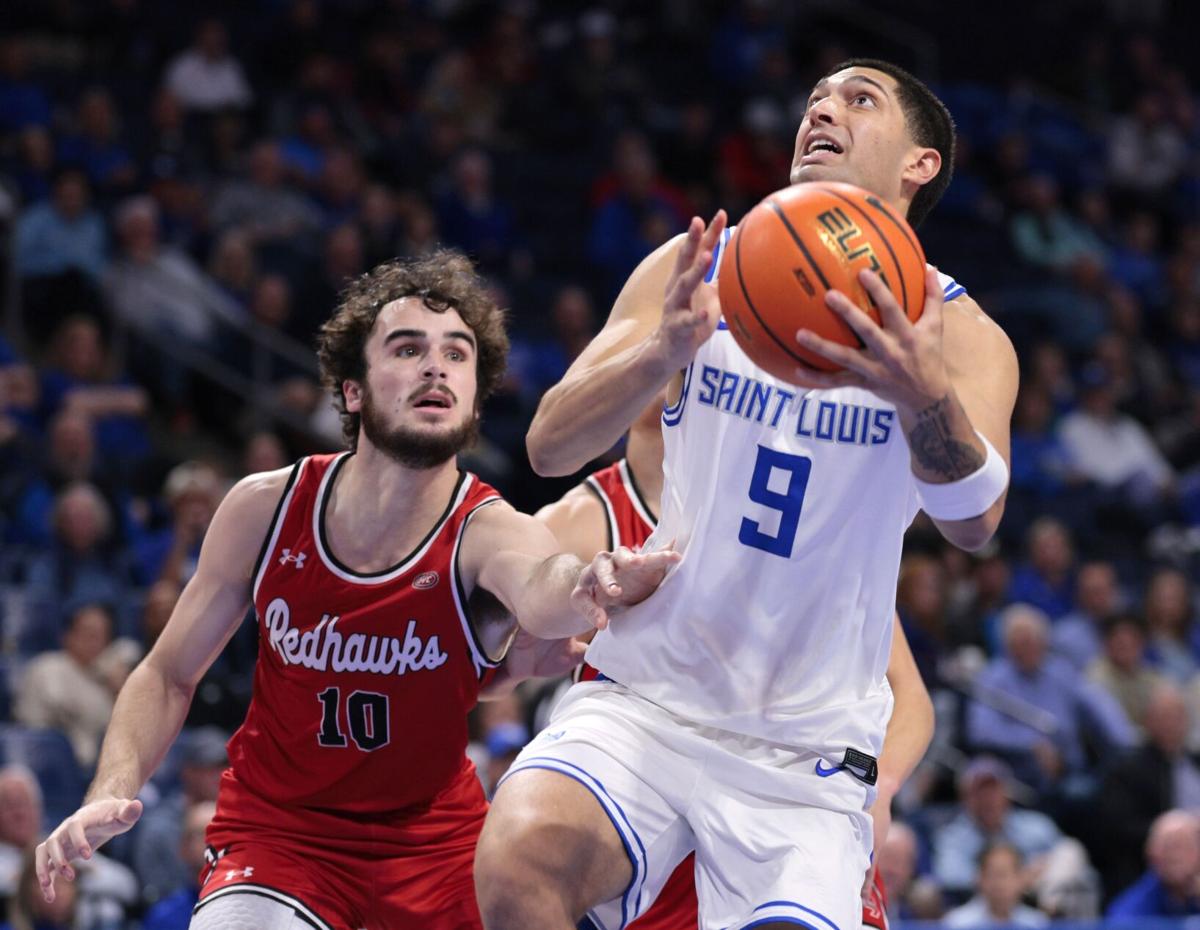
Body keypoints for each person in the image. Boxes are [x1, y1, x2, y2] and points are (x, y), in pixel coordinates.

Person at [477, 58, 1019, 930]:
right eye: (815, 99)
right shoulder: (696, 267)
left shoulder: (961, 335)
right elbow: (548, 445)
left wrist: (924, 394)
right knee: (518, 859)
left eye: (858, 99)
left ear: (921, 164)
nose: (822, 110)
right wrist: (660, 350)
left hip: (805, 757)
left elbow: (976, 523)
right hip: (648, 698)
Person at [35, 250, 676, 930]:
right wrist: (108, 791)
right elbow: (167, 674)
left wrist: (588, 581)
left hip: (434, 843)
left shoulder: (488, 530)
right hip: (281, 833)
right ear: (351, 390)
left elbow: (543, 584)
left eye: (458, 355)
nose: (437, 366)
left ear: (475, 397)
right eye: (408, 348)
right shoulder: (265, 508)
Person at [534, 396, 935, 930]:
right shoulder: (584, 520)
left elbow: (909, 697)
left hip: (787, 799)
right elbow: (488, 657)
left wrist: (878, 793)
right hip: (646, 806)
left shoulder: (790, 523)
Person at [942, 842, 1049, 928]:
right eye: (992, 874)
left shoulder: (1036, 923)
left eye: (1004, 874)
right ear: (979, 879)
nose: (998, 883)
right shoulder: (957, 924)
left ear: (1021, 878)